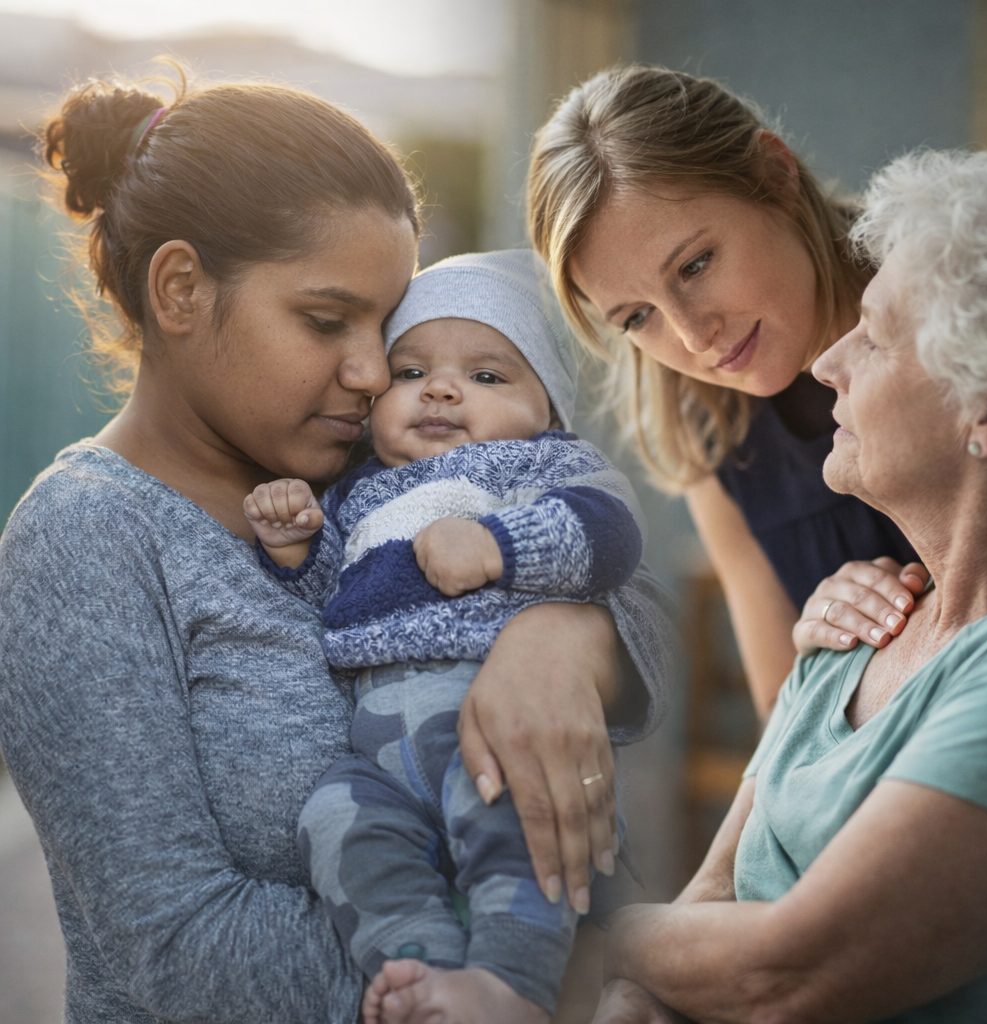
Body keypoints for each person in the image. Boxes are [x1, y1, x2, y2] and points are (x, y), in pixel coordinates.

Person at [0, 73, 671, 1024]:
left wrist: (562, 637)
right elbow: (175, 945)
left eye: (385, 328)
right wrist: (539, 965)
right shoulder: (85, 538)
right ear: (181, 289)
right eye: (326, 321)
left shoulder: (372, 461)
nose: (369, 373)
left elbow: (629, 585)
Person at [589, 149, 987, 1024]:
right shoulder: (851, 626)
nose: (828, 366)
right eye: (635, 314)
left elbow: (784, 972)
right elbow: (710, 900)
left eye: (877, 335)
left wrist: (596, 942)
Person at [242, 250, 645, 1023]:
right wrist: (294, 542)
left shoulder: (541, 463)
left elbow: (611, 534)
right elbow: (334, 585)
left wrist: (500, 544)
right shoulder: (358, 491)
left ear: (549, 409)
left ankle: (512, 982)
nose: (442, 389)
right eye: (409, 371)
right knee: (332, 821)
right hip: (377, 756)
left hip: (492, 725)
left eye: (488, 377)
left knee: (521, 822)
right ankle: (422, 967)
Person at [526, 65, 924, 715]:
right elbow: (780, 713)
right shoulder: (709, 434)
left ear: (774, 173)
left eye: (695, 264)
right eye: (636, 317)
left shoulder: (955, 299)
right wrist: (818, 637)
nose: (692, 334)